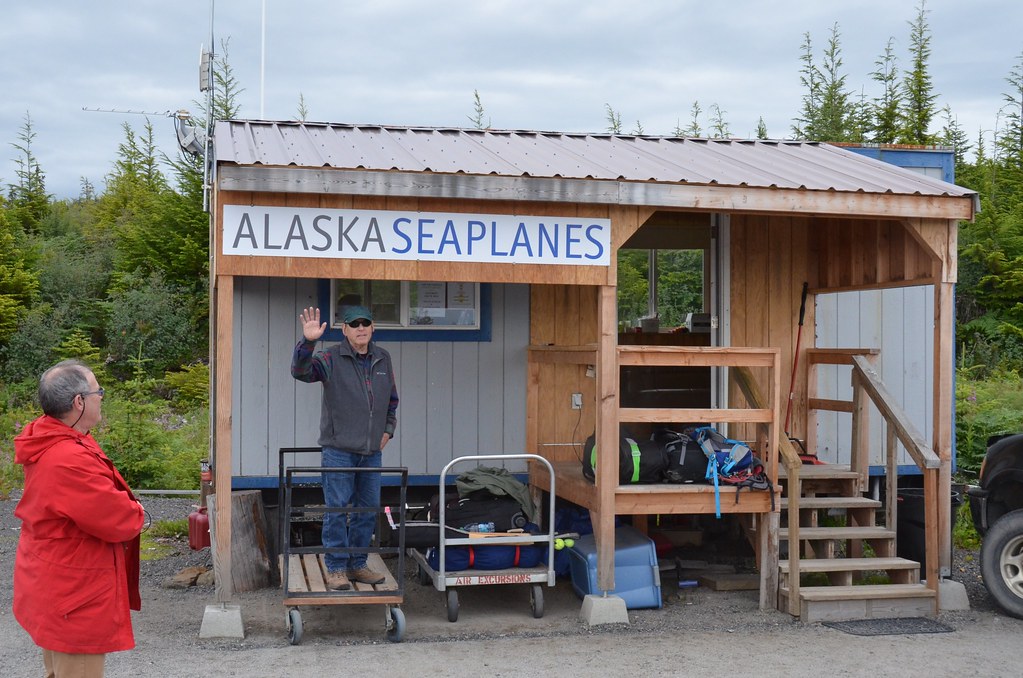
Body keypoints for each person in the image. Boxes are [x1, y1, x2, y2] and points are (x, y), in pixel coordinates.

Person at [13, 359, 145, 678]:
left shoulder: (54, 436)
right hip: (75, 596)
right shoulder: (67, 459)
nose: (102, 396)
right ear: (79, 402)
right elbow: (121, 520)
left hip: (57, 587)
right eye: (98, 391)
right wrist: (140, 511)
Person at [291, 305, 398, 590]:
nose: (361, 328)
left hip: (372, 452)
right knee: (337, 509)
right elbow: (300, 372)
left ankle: (357, 564)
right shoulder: (329, 357)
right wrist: (308, 342)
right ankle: (336, 568)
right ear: (345, 330)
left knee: (367, 509)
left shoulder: (383, 358)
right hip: (338, 449)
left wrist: (388, 430)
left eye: (365, 323)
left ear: (372, 327)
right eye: (354, 324)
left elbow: (392, 402)